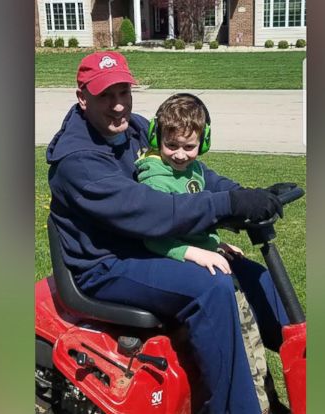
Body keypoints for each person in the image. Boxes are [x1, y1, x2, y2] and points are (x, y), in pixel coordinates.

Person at [46, 51, 287, 413]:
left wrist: (242, 196)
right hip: (106, 265)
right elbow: (152, 212)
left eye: (123, 93)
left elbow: (193, 175)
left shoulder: (137, 129)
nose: (117, 107)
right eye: (105, 96)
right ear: (82, 97)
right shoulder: (77, 162)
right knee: (211, 286)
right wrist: (227, 207)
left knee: (252, 275)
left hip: (143, 246)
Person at [136, 92, 272, 411]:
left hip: (210, 260)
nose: (181, 155)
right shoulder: (154, 178)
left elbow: (197, 219)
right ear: (157, 137)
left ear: (203, 142)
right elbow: (154, 236)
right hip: (181, 267)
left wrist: (214, 243)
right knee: (242, 345)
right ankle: (252, 405)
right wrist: (194, 252)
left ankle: (263, 399)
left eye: (189, 147)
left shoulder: (193, 172)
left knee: (252, 342)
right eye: (172, 146)